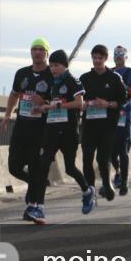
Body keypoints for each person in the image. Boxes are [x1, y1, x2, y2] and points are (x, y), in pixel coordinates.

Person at [36, 50, 92, 222]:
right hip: (52, 130)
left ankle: (87, 191)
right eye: (51, 65)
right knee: (43, 166)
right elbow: (46, 102)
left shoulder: (73, 81)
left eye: (56, 65)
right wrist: (41, 106)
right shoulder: (51, 82)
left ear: (65, 65)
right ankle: (39, 207)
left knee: (69, 168)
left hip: (68, 131)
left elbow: (79, 104)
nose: (53, 69)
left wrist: (56, 106)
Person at [1, 38, 53, 214]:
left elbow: (59, 101)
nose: (37, 52)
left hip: (41, 129)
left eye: (41, 49)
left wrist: (45, 102)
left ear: (46, 53)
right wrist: (8, 114)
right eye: (34, 49)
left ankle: (33, 205)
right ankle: (37, 184)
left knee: (35, 165)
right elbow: (14, 94)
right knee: (14, 166)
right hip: (22, 127)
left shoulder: (52, 75)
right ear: (31, 52)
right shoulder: (21, 73)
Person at [79, 44, 128, 202]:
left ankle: (107, 183)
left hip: (107, 127)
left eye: (100, 58)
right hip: (89, 125)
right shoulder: (84, 78)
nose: (97, 61)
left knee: (102, 158)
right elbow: (77, 100)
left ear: (106, 59)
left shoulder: (114, 78)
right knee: (87, 158)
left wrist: (107, 104)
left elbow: (123, 101)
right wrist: (83, 105)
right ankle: (91, 190)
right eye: (95, 58)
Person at [111, 45, 131, 196]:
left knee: (123, 152)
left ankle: (124, 182)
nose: (118, 57)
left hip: (125, 117)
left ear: (126, 57)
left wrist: (127, 89)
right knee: (110, 153)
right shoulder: (109, 72)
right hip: (110, 116)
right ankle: (117, 172)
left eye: (121, 55)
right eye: (116, 55)